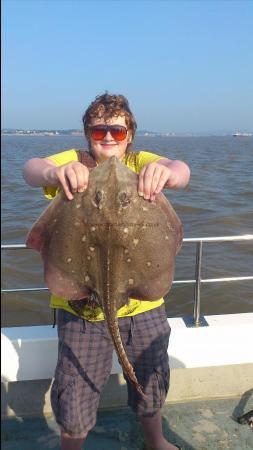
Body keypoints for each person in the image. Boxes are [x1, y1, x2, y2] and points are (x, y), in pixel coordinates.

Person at [23, 93, 190, 450]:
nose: (109, 138)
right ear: (87, 135)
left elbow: (181, 171)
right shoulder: (75, 165)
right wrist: (55, 172)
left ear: (130, 134)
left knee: (150, 376)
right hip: (80, 311)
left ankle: (156, 441)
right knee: (76, 389)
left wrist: (168, 173)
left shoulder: (141, 162)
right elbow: (30, 170)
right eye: (100, 132)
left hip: (143, 309)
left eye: (117, 130)